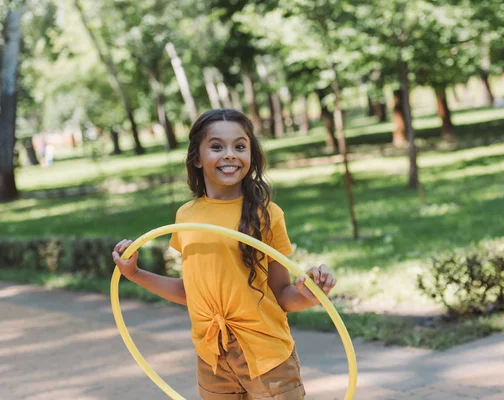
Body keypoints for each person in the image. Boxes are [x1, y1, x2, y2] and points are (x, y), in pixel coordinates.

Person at [112, 109, 337, 400]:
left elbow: (281, 295)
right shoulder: (186, 216)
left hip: (266, 356)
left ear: (251, 156)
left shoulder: (266, 214)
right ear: (196, 157)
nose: (230, 154)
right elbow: (190, 292)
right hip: (213, 357)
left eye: (240, 146)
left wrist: (309, 293)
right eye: (217, 146)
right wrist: (135, 274)